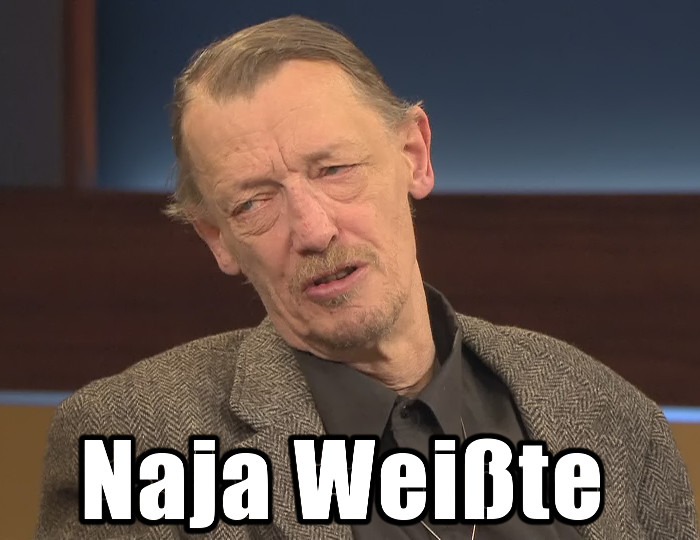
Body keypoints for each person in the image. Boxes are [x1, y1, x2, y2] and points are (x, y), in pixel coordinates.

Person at [37, 15, 697, 539]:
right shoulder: (136, 447)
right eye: (255, 202)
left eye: (334, 170)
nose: (314, 230)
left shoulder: (612, 416)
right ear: (218, 238)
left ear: (414, 155)